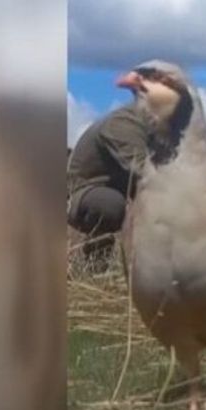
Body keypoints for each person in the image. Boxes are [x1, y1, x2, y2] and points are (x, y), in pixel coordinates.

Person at [66, 68, 157, 265]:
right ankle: (96, 264)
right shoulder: (123, 123)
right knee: (110, 206)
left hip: (123, 191)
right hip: (82, 194)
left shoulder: (160, 129)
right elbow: (145, 174)